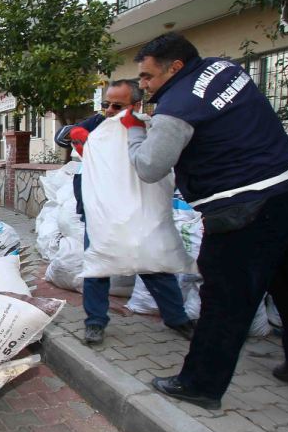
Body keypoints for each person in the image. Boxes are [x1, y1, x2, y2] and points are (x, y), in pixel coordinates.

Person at [123, 32, 288, 410]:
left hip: (245, 211)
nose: (144, 85)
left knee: (224, 300)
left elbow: (150, 167)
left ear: (176, 67)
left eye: (149, 77)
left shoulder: (178, 106)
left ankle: (200, 384)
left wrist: (135, 134)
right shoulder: (225, 69)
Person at [54, 79, 196, 346]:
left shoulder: (146, 129)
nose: (108, 110)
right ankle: (95, 322)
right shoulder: (97, 125)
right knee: (98, 268)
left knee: (152, 265)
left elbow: (154, 166)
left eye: (116, 105)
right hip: (101, 214)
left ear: (136, 104)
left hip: (137, 211)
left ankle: (177, 318)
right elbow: (64, 135)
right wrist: (75, 135)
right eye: (105, 104)